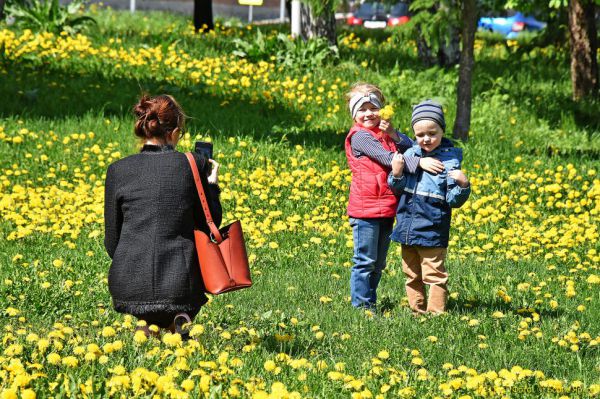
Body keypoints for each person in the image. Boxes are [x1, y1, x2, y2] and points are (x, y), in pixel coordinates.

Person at [104, 94, 221, 337]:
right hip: (180, 285)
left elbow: (112, 243)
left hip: (128, 284)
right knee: (186, 270)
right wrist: (212, 186)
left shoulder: (117, 170)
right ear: (176, 132)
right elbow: (212, 227)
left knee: (147, 321)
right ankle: (179, 319)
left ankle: (147, 324)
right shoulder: (192, 165)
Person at [345, 83, 445, 309]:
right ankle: (362, 307)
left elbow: (411, 147)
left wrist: (392, 133)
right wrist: (421, 163)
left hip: (386, 206)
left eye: (373, 108)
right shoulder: (360, 137)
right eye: (362, 109)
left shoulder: (383, 135)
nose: (369, 113)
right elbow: (390, 159)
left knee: (378, 263)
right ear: (354, 114)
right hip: (365, 210)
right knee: (365, 261)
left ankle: (369, 301)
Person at [388, 100, 470, 315]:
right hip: (406, 225)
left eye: (432, 133)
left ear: (442, 130)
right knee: (411, 273)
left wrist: (463, 185)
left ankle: (436, 314)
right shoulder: (410, 155)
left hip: (433, 225)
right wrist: (396, 173)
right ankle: (417, 311)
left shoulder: (450, 161)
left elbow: (453, 200)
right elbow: (397, 188)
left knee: (434, 274)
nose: (426, 139)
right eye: (420, 134)